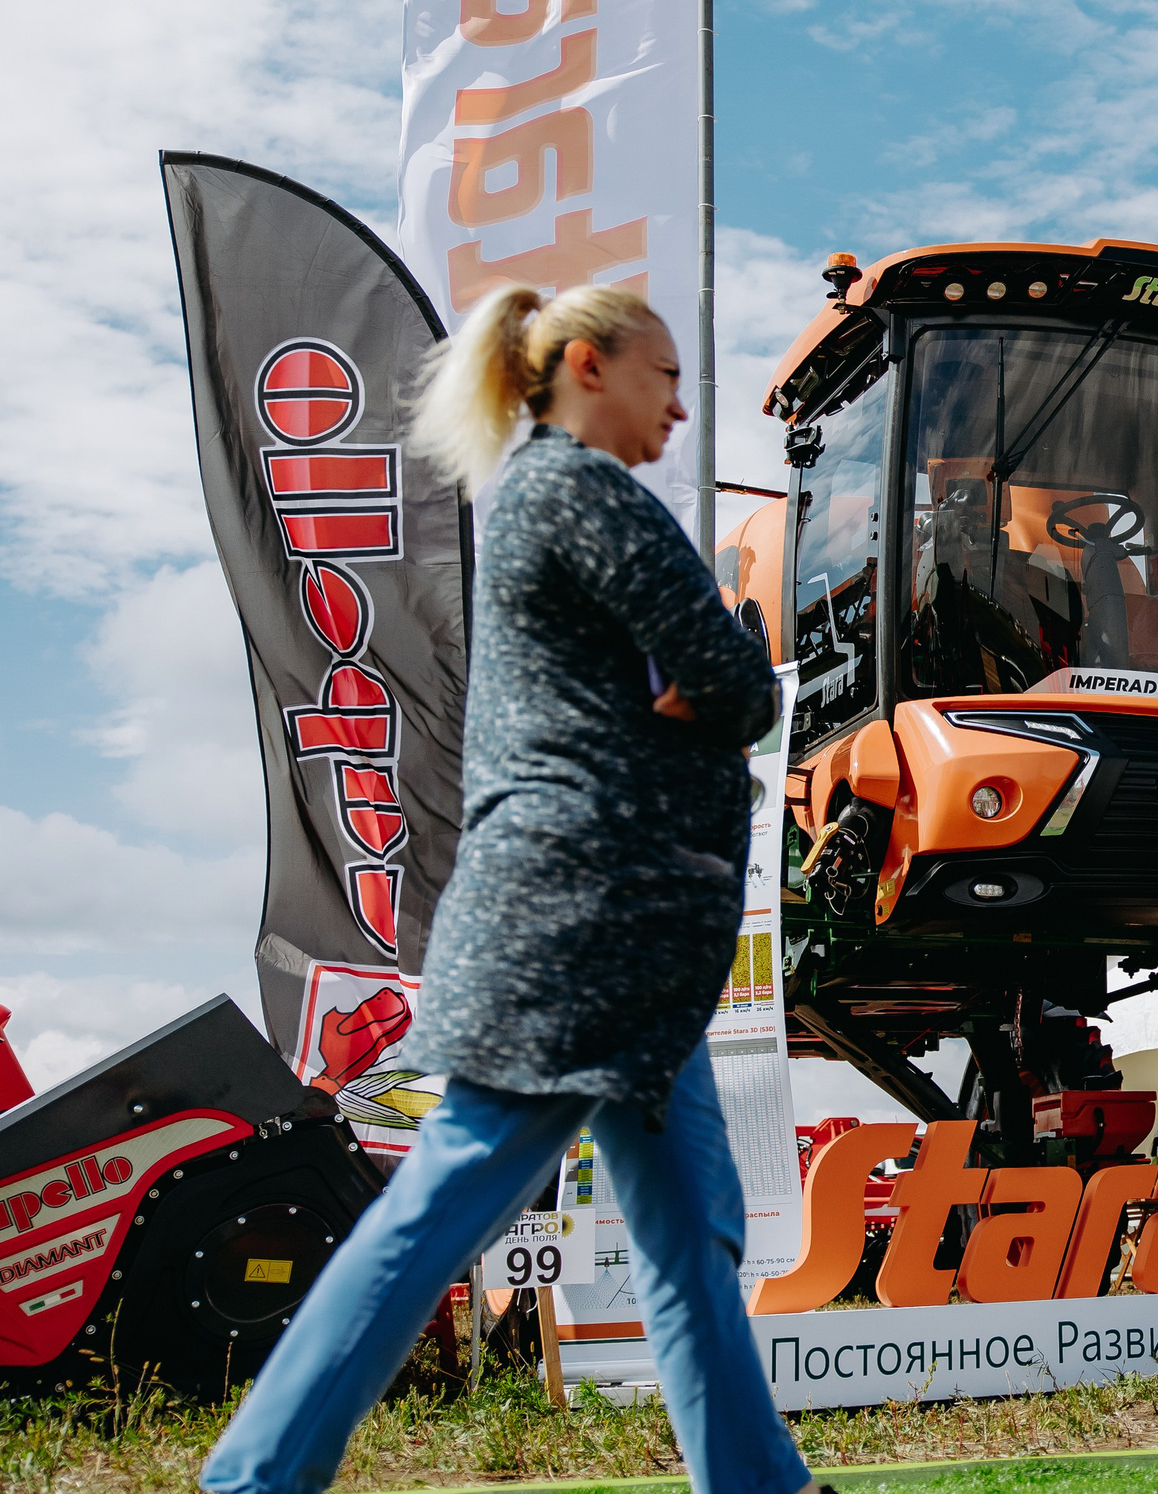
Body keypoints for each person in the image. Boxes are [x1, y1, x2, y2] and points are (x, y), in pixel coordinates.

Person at [202, 286, 809, 1494]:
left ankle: (760, 1483)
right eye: (666, 375)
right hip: (584, 933)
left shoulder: (539, 495)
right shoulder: (580, 489)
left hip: (626, 940)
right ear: (589, 364)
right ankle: (253, 1479)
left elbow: (708, 681)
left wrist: (700, 693)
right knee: (440, 1209)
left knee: (693, 1230)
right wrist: (713, 686)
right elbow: (729, 671)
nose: (683, 406)